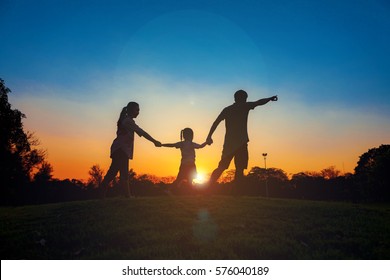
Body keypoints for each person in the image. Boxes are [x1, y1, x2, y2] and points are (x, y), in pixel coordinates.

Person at [206, 89, 277, 185]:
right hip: (241, 143)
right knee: (239, 169)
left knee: (222, 167)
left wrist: (209, 136)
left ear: (235, 98)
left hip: (230, 144)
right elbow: (259, 102)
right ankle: (235, 192)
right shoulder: (245, 106)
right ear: (244, 98)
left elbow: (216, 122)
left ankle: (209, 186)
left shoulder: (227, 109)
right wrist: (270, 98)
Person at [101, 102, 161, 197]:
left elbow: (139, 132)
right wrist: (154, 141)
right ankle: (127, 196)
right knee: (123, 173)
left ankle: (102, 193)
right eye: (137, 110)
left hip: (119, 149)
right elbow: (142, 132)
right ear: (130, 110)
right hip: (121, 149)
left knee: (113, 172)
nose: (138, 112)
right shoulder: (128, 121)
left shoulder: (125, 120)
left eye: (139, 110)